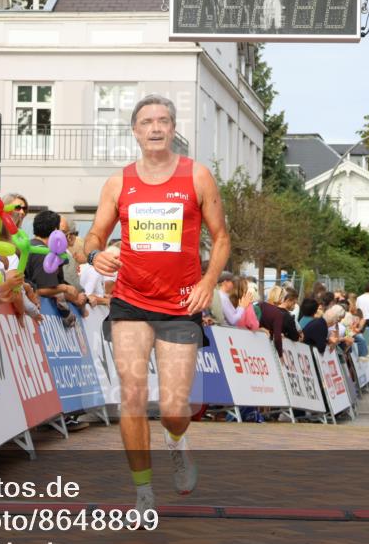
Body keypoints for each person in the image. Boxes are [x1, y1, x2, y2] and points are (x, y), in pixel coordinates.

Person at [83, 94, 229, 516]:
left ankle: (176, 441)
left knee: (173, 409)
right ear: (135, 131)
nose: (155, 127)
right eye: (146, 121)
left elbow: (221, 238)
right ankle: (143, 491)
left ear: (173, 128)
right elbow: (92, 237)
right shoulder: (118, 183)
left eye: (163, 120)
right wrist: (96, 256)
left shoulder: (197, 177)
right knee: (131, 395)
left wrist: (207, 282)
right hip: (130, 301)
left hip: (181, 302)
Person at [26, 209, 89, 327]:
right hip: (36, 320)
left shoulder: (30, 245)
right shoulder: (44, 253)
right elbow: (41, 289)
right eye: (62, 231)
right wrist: (65, 288)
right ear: (55, 231)